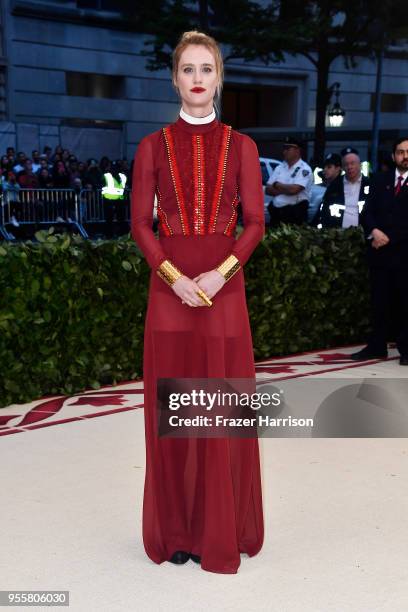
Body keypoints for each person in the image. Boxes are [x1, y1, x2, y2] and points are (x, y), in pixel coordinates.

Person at [130, 30, 264, 574]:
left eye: (206, 69)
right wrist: (173, 276)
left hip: (224, 295)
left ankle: (219, 531)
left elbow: (255, 223)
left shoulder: (245, 146)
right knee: (174, 416)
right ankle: (179, 532)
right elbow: (140, 224)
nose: (198, 79)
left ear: (219, 78)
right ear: (174, 79)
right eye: (188, 69)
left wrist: (218, 273)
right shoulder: (150, 147)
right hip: (169, 297)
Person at [350, 138, 408, 365]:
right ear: (393, 155)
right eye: (401, 152)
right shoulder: (379, 180)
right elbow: (367, 212)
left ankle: (406, 349)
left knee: (405, 303)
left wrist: (387, 237)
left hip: (404, 254)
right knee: (378, 302)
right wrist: (373, 230)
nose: (405, 156)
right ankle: (376, 346)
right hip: (379, 254)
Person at [313, 147, 370, 229]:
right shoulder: (335, 185)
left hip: (364, 233)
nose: (349, 167)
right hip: (338, 234)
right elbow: (324, 210)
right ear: (342, 167)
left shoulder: (370, 184)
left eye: (352, 163)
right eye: (346, 164)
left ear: (359, 165)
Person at [266, 136, 313, 227]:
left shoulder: (304, 169)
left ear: (297, 150)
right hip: (276, 214)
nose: (284, 152)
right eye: (284, 149)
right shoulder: (279, 167)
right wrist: (285, 188)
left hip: (294, 215)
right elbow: (268, 190)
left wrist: (276, 184)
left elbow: (293, 190)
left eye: (288, 149)